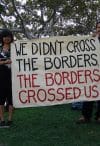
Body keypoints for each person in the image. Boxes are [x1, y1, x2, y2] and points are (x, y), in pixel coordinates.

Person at [76, 21, 100, 124]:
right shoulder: (91, 39)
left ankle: (99, 117)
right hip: (91, 72)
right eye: (98, 27)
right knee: (89, 93)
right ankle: (85, 116)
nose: (99, 29)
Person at [0, 29, 14, 128]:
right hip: (1, 78)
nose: (7, 38)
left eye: (8, 36)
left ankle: (9, 119)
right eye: (5, 36)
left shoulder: (16, 48)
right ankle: (2, 119)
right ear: (2, 38)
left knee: (11, 100)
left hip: (13, 78)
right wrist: (5, 62)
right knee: (0, 100)